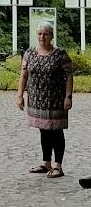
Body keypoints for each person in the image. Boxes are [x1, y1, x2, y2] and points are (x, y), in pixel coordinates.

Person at [17, 22, 73, 179]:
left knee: (56, 131)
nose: (42, 37)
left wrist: (68, 96)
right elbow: (24, 74)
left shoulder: (60, 54)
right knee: (43, 130)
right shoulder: (29, 53)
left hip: (56, 100)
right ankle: (46, 162)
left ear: (52, 36)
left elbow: (69, 75)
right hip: (37, 100)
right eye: (40, 34)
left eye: (46, 34)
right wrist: (20, 95)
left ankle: (58, 166)